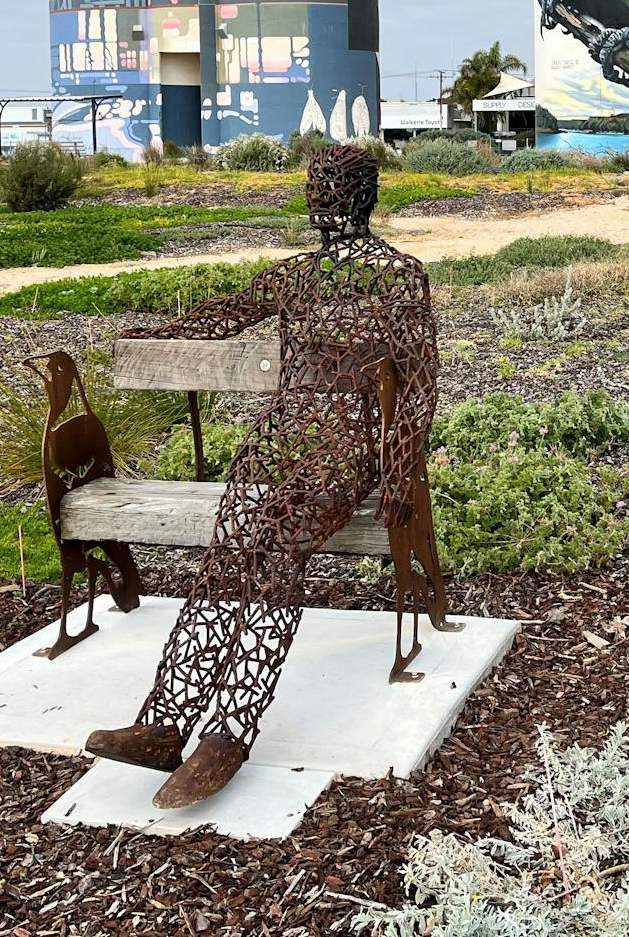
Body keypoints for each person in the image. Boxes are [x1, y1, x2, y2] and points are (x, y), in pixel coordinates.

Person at [82, 143, 450, 808]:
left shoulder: (399, 277)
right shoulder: (295, 277)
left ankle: (229, 731)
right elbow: (225, 314)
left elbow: (419, 387)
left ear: (361, 197)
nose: (320, 198)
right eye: (315, 186)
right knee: (229, 554)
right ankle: (164, 724)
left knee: (273, 546)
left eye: (332, 187)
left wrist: (398, 474)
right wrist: (153, 333)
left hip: (347, 451)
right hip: (280, 447)